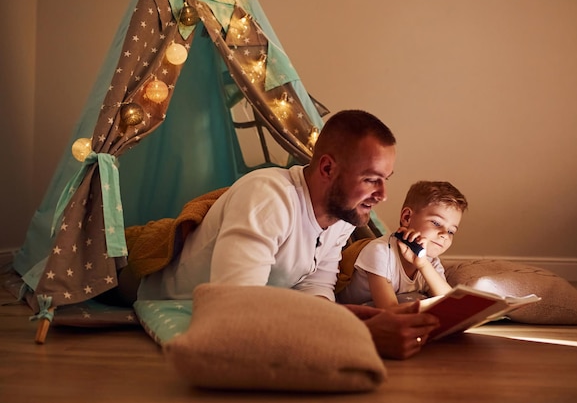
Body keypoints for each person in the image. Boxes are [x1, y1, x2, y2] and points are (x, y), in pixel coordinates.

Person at [130, 109, 439, 359]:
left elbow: (314, 283)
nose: (383, 195)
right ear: (327, 169)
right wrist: (362, 335)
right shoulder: (268, 198)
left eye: (386, 179)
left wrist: (341, 318)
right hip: (160, 294)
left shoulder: (343, 216)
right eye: (371, 179)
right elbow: (234, 308)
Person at [337, 181, 468, 309]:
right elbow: (389, 309)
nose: (444, 234)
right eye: (436, 223)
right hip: (356, 311)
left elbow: (451, 302)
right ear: (406, 217)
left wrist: (423, 265)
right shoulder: (380, 252)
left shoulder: (430, 262)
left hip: (392, 307)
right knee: (416, 301)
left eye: (451, 231)